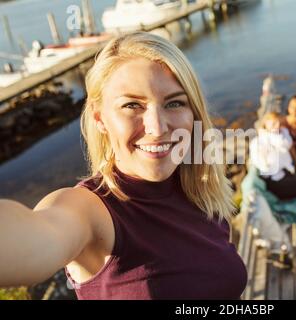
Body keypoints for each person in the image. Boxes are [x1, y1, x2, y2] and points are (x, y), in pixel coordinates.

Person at [0, 32, 247, 300]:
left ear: (194, 112)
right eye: (132, 105)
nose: (157, 128)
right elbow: (38, 238)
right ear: (100, 118)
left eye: (174, 103)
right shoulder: (92, 212)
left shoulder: (200, 189)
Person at [249, 112, 296, 222]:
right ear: (265, 125)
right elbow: (263, 166)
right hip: (274, 181)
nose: (277, 125)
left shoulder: (282, 136)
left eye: (278, 122)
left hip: (285, 173)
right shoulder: (259, 142)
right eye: (273, 123)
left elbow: (289, 148)